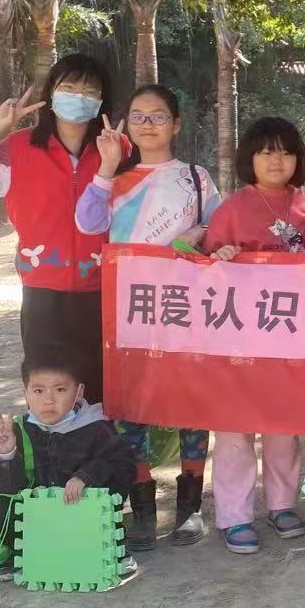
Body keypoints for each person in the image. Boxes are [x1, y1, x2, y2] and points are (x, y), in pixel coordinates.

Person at [74, 84, 221, 552]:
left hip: (186, 308)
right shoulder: (115, 178)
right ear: (126, 125)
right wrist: (105, 168)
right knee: (131, 408)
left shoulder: (195, 178)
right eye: (138, 116)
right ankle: (142, 507)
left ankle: (190, 507)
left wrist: (200, 233)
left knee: (191, 404)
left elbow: (219, 230)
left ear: (176, 124)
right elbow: (87, 223)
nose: (148, 124)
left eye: (158, 116)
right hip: (130, 308)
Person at [0, 54, 123, 403]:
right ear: (51, 93)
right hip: (42, 296)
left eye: (90, 91)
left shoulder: (116, 150)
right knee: (50, 400)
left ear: (102, 102)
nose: (79, 97)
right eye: (69, 87)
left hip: (106, 293)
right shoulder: (18, 149)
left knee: (102, 397)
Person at [202, 117, 305, 554]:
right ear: (249, 158)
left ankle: (282, 504)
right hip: (239, 342)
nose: (277, 160)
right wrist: (221, 256)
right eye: (267, 151)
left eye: (286, 152)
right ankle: (234, 516)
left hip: (290, 339)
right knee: (234, 428)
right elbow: (204, 271)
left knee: (283, 425)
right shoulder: (232, 210)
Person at [0, 345, 136, 581]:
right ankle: (23, 554)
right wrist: (7, 454)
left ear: (79, 392)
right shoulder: (21, 430)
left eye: (60, 389)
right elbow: (9, 489)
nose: (48, 400)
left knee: (103, 500)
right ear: (26, 394)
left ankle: (112, 551)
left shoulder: (96, 427)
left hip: (82, 510)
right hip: (42, 515)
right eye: (38, 391)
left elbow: (122, 465)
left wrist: (85, 477)